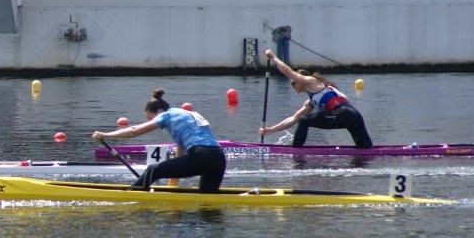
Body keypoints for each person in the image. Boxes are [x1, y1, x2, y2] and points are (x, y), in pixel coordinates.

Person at [92, 89, 226, 192]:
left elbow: (135, 130)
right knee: (207, 197)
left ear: (159, 111)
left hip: (201, 155)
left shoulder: (166, 115)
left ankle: (131, 196)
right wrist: (171, 188)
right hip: (219, 159)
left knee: (153, 170)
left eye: (150, 118)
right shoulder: (191, 115)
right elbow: (180, 154)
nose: (152, 123)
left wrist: (105, 135)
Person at [259, 49, 373, 148]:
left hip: (344, 113)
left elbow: (289, 72)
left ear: (301, 80)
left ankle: (295, 152)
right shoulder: (310, 102)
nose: (292, 85)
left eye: (294, 82)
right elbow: (293, 119)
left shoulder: (311, 82)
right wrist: (270, 130)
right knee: (365, 149)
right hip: (353, 115)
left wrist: (273, 57)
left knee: (305, 120)